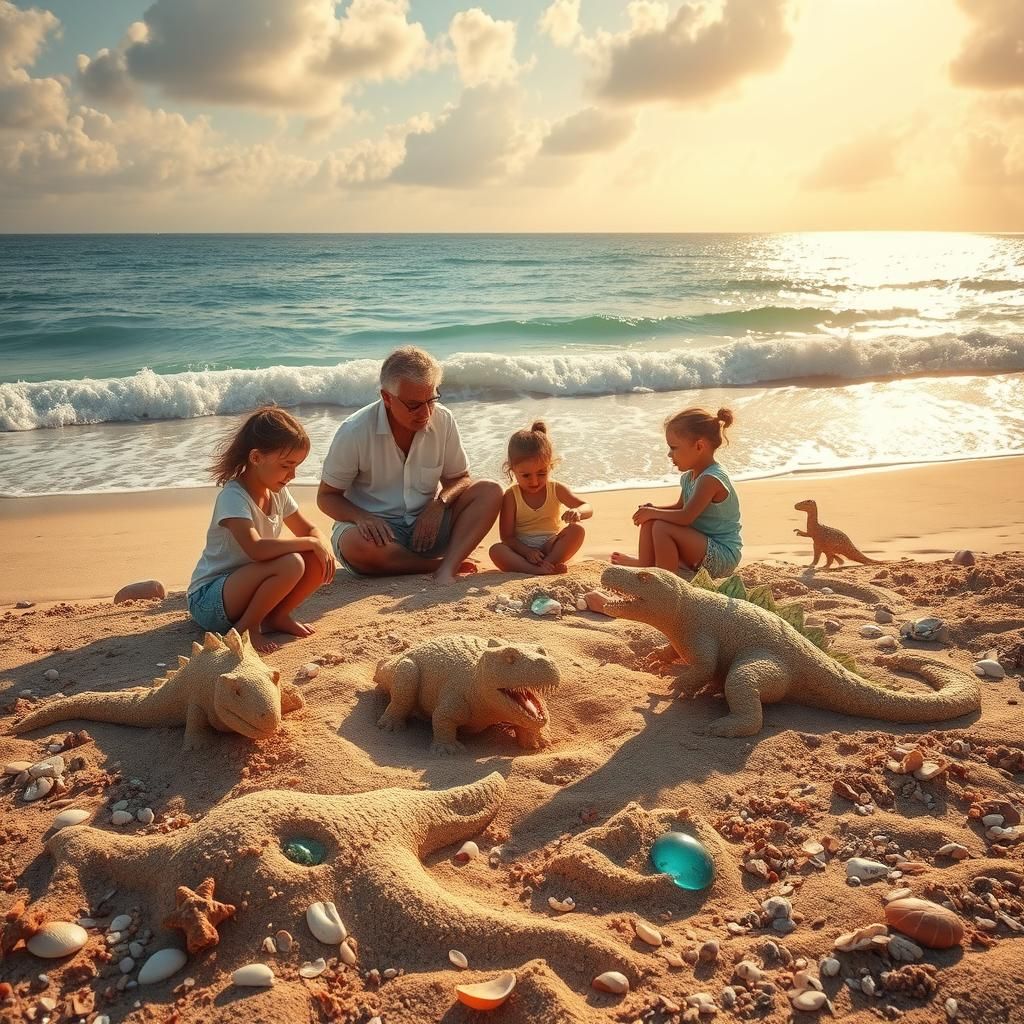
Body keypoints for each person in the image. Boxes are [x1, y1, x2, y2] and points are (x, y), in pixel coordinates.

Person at [317, 346, 502, 585]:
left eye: (431, 400)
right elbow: (326, 496)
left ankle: (445, 564)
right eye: (414, 405)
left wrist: (439, 504)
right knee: (353, 545)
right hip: (376, 537)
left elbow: (461, 479)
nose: (425, 412)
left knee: (490, 490)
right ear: (386, 397)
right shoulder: (354, 431)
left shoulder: (443, 419)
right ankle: (439, 565)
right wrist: (362, 518)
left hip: (428, 531)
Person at [187, 406, 336, 654]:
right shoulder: (233, 496)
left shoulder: (277, 492)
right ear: (256, 458)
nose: (293, 475)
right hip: (210, 600)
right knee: (292, 562)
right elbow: (256, 549)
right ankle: (247, 628)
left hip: (246, 591)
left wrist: (321, 545)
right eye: (286, 465)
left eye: (296, 466)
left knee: (315, 559)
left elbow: (308, 528)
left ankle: (276, 616)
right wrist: (311, 543)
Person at [611, 407, 742, 576]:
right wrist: (653, 510)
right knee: (651, 520)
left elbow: (686, 517)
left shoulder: (710, 479)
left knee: (661, 526)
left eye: (674, 448)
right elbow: (680, 506)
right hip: (700, 545)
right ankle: (645, 564)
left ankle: (666, 581)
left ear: (699, 446)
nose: (669, 454)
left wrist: (654, 513)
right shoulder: (689, 477)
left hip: (722, 555)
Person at [489, 421, 592, 575]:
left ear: (550, 466)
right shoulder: (511, 496)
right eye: (526, 475)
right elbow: (507, 538)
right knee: (496, 550)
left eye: (542, 473)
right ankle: (536, 569)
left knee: (577, 530)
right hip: (521, 550)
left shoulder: (556, 488)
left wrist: (577, 511)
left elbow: (587, 507)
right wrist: (527, 552)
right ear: (512, 469)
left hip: (551, 545)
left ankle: (548, 563)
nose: (535, 481)